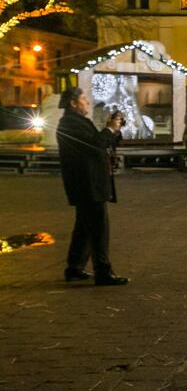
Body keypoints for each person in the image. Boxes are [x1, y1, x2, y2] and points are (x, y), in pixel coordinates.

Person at [56, 88, 129, 286]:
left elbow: (98, 142)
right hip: (87, 183)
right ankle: (103, 272)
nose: (88, 102)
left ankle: (75, 267)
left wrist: (114, 129)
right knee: (99, 228)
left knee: (84, 227)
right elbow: (95, 145)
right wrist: (109, 130)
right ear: (73, 103)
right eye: (84, 99)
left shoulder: (78, 122)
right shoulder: (70, 123)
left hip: (88, 183)